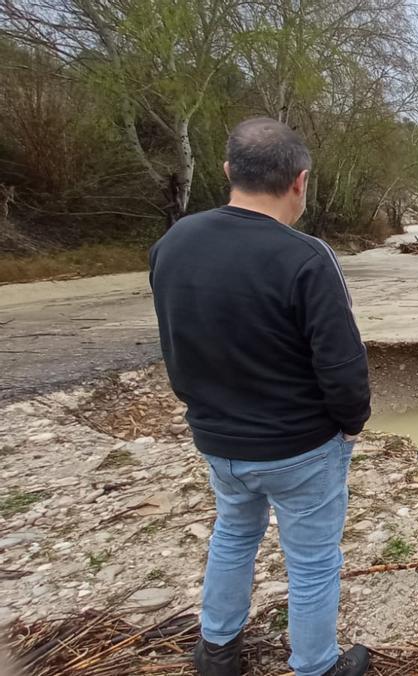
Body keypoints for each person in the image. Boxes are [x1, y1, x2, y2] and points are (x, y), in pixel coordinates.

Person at [149, 117, 372, 676]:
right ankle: (316, 667)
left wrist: (200, 410)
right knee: (314, 564)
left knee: (233, 534)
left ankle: (218, 650)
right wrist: (351, 424)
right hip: (300, 445)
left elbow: (176, 340)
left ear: (228, 172)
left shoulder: (173, 242)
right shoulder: (306, 257)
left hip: (218, 438)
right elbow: (342, 363)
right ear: (300, 182)